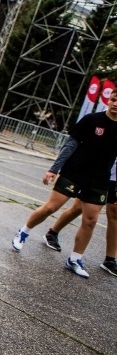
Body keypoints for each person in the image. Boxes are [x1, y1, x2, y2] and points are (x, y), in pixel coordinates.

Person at [11, 91, 117, 278]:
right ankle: (23, 232)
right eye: (114, 99)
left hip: (99, 179)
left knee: (91, 221)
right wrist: (54, 169)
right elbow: (70, 145)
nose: (116, 104)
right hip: (74, 172)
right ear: (109, 100)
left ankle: (74, 259)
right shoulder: (92, 120)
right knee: (51, 207)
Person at [43, 161, 117, 277]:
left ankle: (110, 260)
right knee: (78, 208)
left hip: (114, 179)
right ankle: (52, 232)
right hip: (98, 174)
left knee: (114, 214)